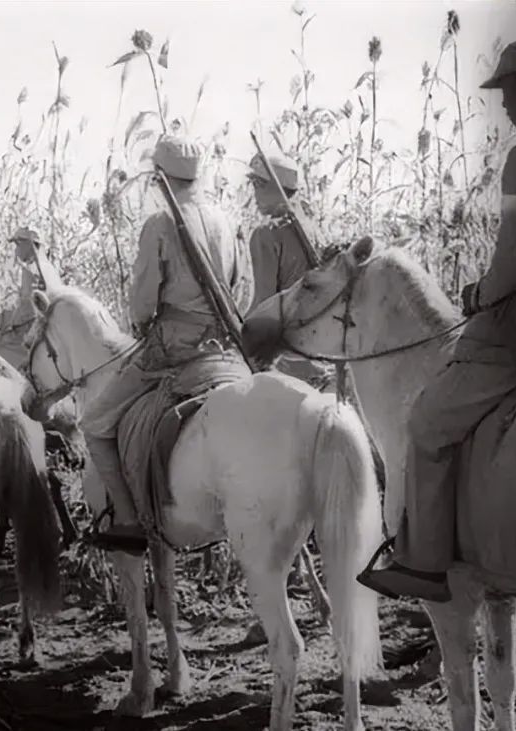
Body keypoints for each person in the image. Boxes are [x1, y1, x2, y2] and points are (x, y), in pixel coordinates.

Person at [358, 40, 516, 603]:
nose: (502, 107)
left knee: (427, 423)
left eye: (508, 92)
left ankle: (424, 563)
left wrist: (479, 293)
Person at [82, 135, 253, 554]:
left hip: (173, 351)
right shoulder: (225, 219)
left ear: (159, 178)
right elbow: (243, 290)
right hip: (225, 352)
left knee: (95, 424)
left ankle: (126, 518)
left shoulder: (160, 224)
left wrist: (141, 324)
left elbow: (143, 300)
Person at [245, 152, 332, 389]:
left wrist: (237, 334)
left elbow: (264, 305)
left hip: (286, 358)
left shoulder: (266, 234)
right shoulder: (314, 228)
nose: (254, 194)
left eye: (258, 185)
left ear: (276, 188)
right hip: (320, 352)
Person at [0, 226, 59, 370]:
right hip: (47, 326)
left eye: (18, 244)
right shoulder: (48, 267)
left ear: (29, 244)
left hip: (35, 329)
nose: (16, 250)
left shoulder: (32, 270)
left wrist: (7, 320)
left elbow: (29, 308)